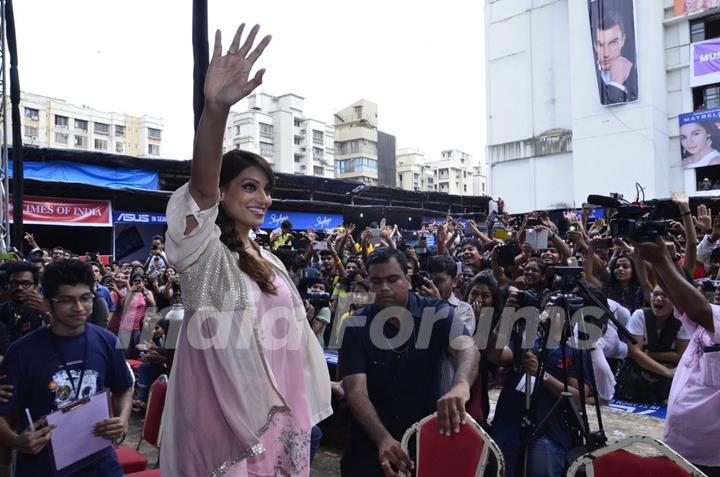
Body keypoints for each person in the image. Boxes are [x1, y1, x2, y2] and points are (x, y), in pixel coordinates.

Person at [160, 23, 331, 477]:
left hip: (279, 413)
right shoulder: (205, 255)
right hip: (224, 419)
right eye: (249, 187)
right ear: (222, 192)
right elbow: (201, 187)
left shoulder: (269, 259)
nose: (263, 198)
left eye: (268, 189)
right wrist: (215, 110)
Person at [340, 247, 479, 477]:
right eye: (376, 281)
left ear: (408, 279)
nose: (384, 288)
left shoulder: (436, 312)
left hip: (423, 444)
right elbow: (355, 391)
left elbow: (468, 347)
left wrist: (461, 385)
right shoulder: (355, 325)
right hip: (369, 445)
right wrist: (383, 439)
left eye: (392, 279)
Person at [0, 260, 133, 476]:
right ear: (48, 303)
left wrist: (123, 419)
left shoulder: (107, 341)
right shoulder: (21, 352)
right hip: (43, 465)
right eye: (66, 300)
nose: (79, 308)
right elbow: (4, 414)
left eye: (85, 298)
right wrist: (17, 441)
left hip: (100, 463)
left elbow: (124, 387)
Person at [635, 237, 720, 476]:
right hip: (679, 445)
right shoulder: (705, 326)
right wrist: (660, 261)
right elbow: (677, 297)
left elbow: (697, 309)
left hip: (710, 458)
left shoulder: (709, 318)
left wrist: (662, 259)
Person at [591, 8, 638, 105]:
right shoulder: (587, 74)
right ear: (595, 45)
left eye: (612, 43)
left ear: (623, 40)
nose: (606, 53)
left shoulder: (635, 71)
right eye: (600, 44)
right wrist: (616, 82)